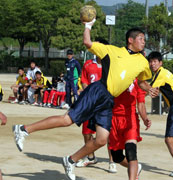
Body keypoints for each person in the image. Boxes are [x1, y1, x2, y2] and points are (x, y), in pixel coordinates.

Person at [12, 20, 157, 180]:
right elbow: (87, 42)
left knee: (102, 139)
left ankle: (71, 160)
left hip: (109, 101)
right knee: (67, 120)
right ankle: (24, 129)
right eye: (141, 38)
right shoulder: (111, 50)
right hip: (98, 91)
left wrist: (148, 88)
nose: (144, 41)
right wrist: (88, 25)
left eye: (144, 39)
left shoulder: (143, 62)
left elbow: (142, 81)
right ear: (131, 40)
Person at [75, 39, 117, 173]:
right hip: (91, 103)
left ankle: (112, 161)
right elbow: (85, 82)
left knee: (107, 134)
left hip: (105, 105)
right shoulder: (88, 64)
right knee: (87, 132)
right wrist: (89, 97)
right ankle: (91, 157)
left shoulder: (112, 65)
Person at [109, 79, 151, 180]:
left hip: (130, 119)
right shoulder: (115, 75)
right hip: (114, 119)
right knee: (116, 156)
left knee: (131, 152)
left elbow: (140, 104)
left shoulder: (138, 81)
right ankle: (136, 168)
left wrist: (145, 118)